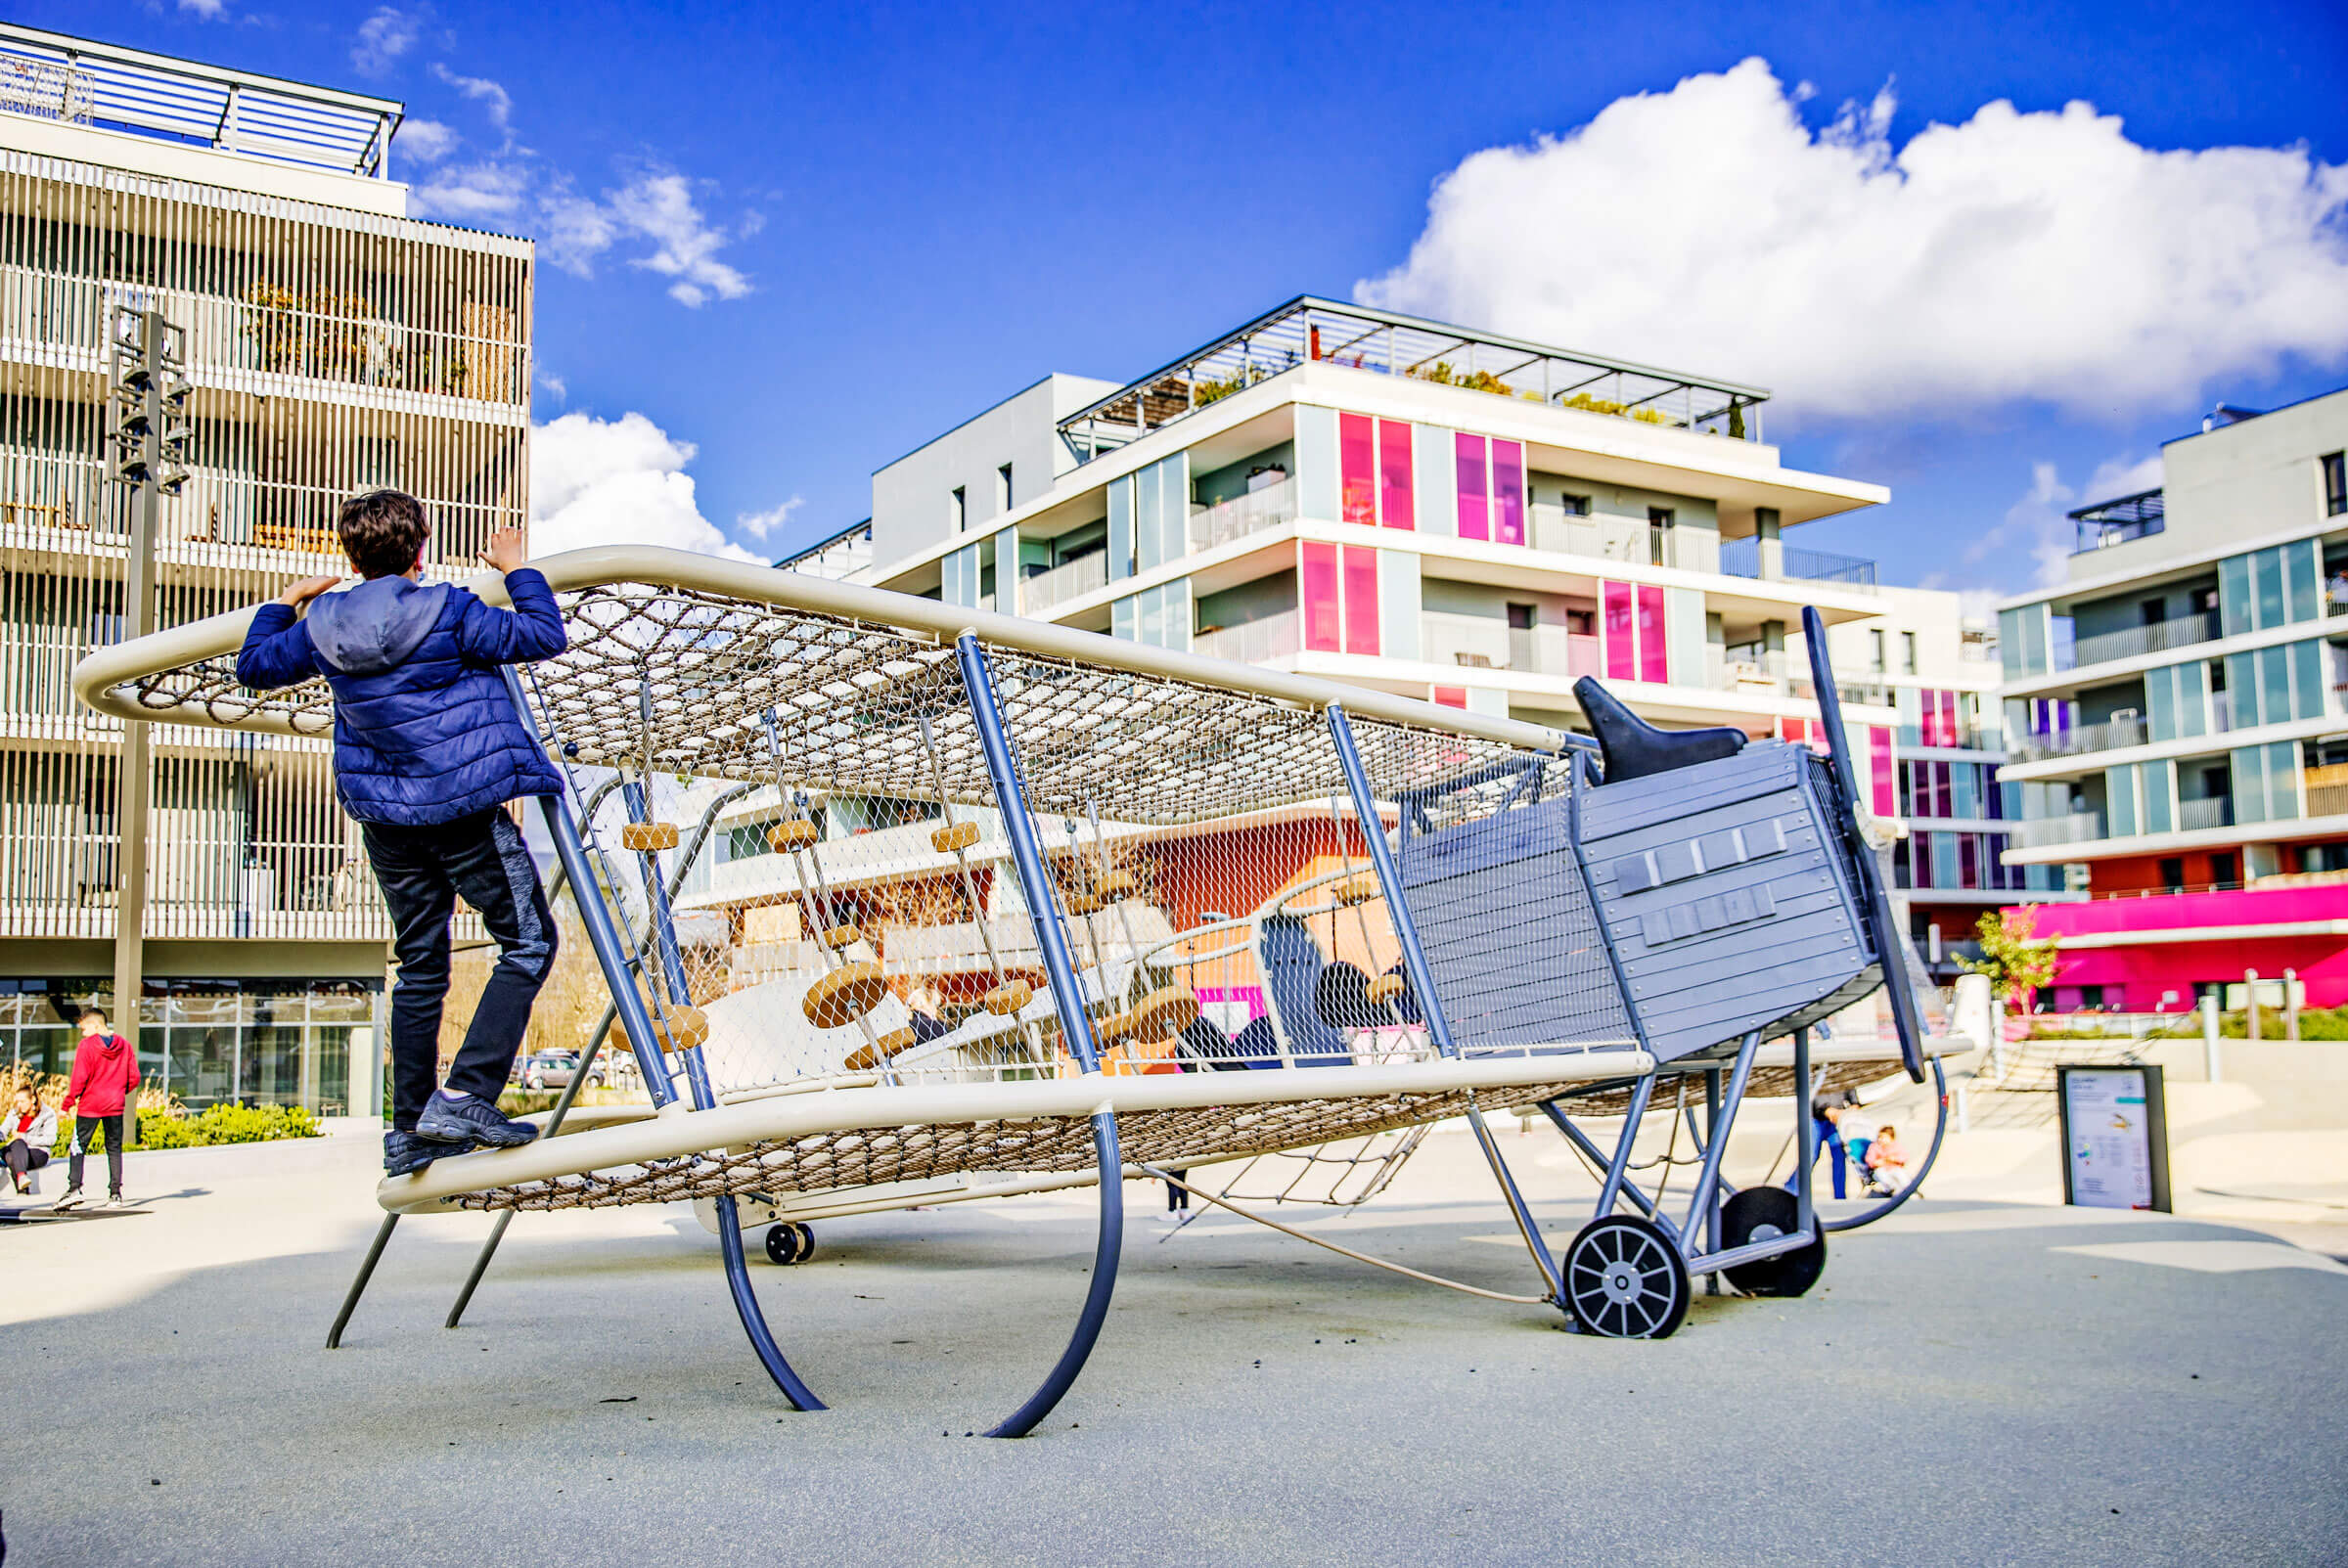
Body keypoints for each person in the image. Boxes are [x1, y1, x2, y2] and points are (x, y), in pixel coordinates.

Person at [236, 490, 567, 1178]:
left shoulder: (321, 624)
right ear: (420, 549)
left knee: (421, 963)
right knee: (530, 939)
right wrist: (514, 568)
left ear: (350, 558)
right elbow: (543, 635)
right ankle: (471, 1092)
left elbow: (254, 667)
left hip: (387, 822)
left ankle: (409, 1127)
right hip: (460, 810)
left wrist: (287, 599)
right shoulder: (449, 609)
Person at [56, 1007, 138, 1210]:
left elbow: (79, 1078)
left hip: (90, 1105)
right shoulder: (125, 1046)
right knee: (114, 1148)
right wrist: (118, 1090)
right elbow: (134, 1077)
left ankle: (74, 1188)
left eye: (84, 1028)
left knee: (78, 1145)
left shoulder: (87, 1046)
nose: (83, 1033)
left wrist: (67, 1103)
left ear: (95, 1025)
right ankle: (115, 1194)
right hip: (115, 1105)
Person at [6, 1086, 56, 1197]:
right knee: (12, 1150)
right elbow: (3, 1131)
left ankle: (22, 1189)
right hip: (16, 1150)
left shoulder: (47, 1114)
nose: (19, 1105)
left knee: (13, 1153)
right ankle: (22, 1179)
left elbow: (51, 1139)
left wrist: (24, 1137)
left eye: (22, 1101)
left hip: (37, 1152)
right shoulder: (14, 1113)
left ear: (32, 1099)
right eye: (17, 1101)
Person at [1866, 1123, 1910, 1193]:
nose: (1880, 1139)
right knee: (1881, 1174)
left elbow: (1904, 1156)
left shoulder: (1895, 1146)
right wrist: (1875, 1163)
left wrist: (1895, 1159)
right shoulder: (1874, 1146)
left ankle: (1908, 1188)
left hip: (1893, 1167)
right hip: (1881, 1168)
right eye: (1879, 1137)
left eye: (1883, 1137)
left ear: (1891, 1138)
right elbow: (1869, 1159)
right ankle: (1892, 1188)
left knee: (1901, 1174)